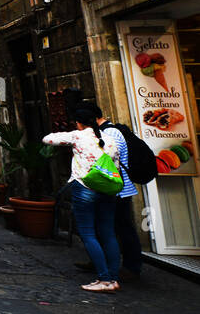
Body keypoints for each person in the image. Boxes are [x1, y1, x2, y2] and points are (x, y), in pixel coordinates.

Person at [43, 106, 121, 293]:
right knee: (108, 234)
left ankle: (104, 278)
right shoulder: (109, 139)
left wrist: (71, 135)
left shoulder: (78, 136)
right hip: (107, 189)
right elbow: (115, 165)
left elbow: (48, 139)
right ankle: (114, 278)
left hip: (85, 187)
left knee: (88, 234)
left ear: (78, 123)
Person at [90, 104, 143, 281]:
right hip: (113, 188)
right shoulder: (106, 131)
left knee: (123, 227)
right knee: (109, 227)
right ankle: (103, 262)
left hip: (118, 189)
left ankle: (132, 267)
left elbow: (107, 160)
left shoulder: (110, 133)